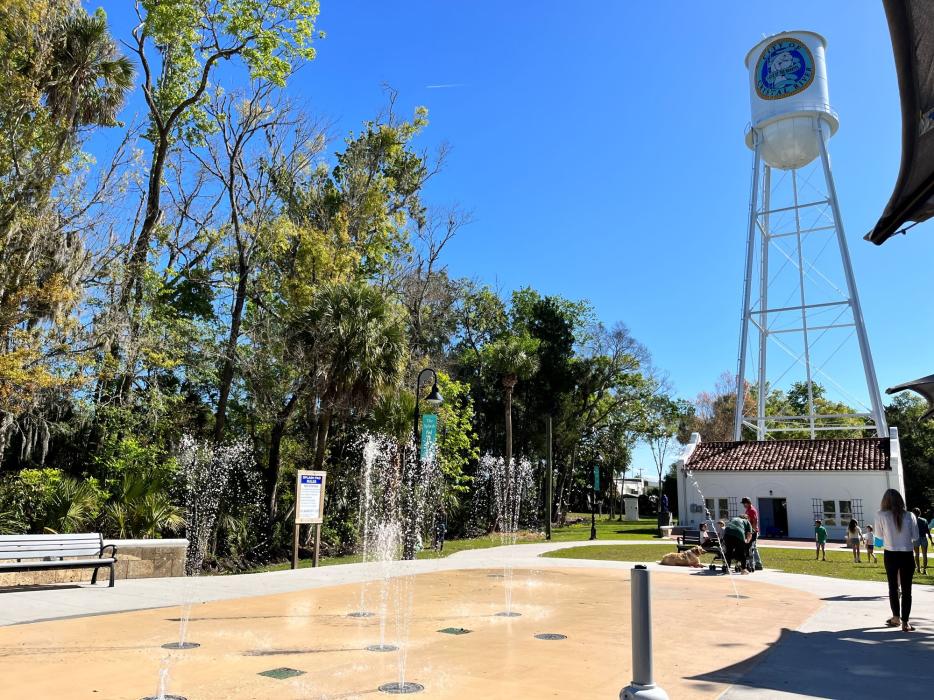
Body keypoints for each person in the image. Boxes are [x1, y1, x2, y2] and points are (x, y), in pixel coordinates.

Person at [875, 488, 919, 632]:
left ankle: (896, 617)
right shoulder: (910, 515)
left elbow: (879, 537)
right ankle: (906, 622)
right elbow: (915, 537)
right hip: (907, 554)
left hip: (891, 554)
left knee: (893, 587)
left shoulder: (881, 515)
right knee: (907, 590)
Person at [741, 497, 763, 570]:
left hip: (752, 532)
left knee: (751, 548)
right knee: (753, 547)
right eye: (743, 503)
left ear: (749, 503)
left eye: (745, 503)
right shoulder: (748, 510)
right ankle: (757, 563)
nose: (744, 505)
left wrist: (752, 531)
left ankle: (756, 564)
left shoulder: (752, 510)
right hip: (749, 531)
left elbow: (754, 521)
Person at [912, 507, 931, 574]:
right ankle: (925, 570)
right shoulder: (924, 520)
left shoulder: (912, 521)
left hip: (916, 538)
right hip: (923, 538)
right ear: (919, 513)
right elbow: (928, 531)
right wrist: (931, 540)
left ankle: (918, 568)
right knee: (924, 555)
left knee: (916, 554)